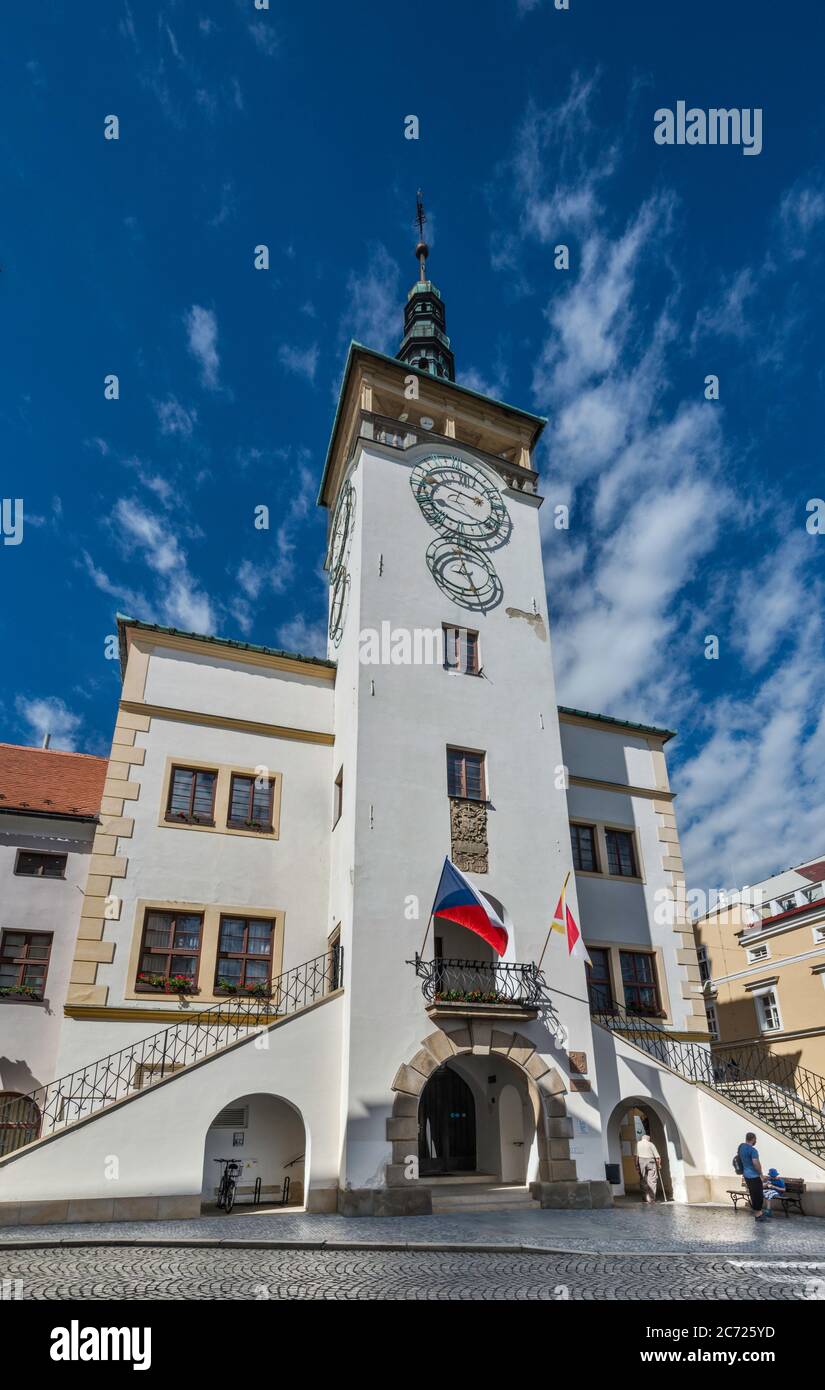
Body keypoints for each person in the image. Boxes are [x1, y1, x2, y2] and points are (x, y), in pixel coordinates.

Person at [738, 1131, 765, 1220]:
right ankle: (758, 1215)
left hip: (746, 1174)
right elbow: (755, 1163)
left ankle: (758, 1213)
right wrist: (761, 1174)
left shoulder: (741, 1147)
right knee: (758, 1195)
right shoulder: (753, 1150)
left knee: (753, 1194)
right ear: (753, 1139)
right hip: (754, 1176)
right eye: (755, 1140)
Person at [635, 1130, 662, 1204]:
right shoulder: (651, 1144)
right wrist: (659, 1165)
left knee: (643, 1180)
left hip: (641, 1161)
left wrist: (636, 1165)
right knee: (652, 1180)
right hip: (651, 1161)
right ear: (648, 1139)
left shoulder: (638, 1144)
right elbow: (657, 1157)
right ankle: (652, 1199)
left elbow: (636, 1156)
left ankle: (645, 1198)